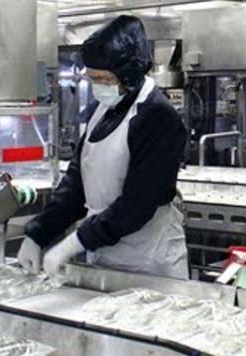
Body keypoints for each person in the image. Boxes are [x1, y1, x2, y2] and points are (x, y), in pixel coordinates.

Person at [17, 15, 189, 280]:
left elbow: (137, 205)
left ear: (129, 74)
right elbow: (76, 182)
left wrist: (73, 243)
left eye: (105, 79)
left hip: (149, 261)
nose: (98, 86)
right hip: (104, 252)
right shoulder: (103, 109)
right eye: (93, 78)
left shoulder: (158, 116)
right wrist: (38, 233)